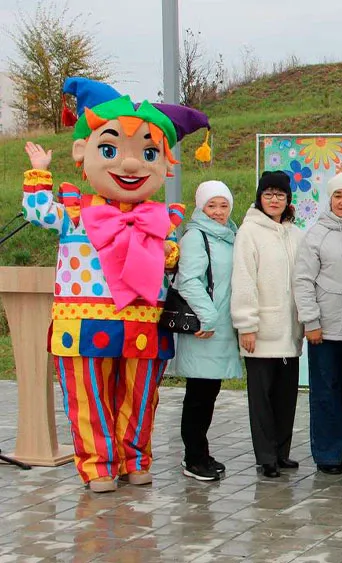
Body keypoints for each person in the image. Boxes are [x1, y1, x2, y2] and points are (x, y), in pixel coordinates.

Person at [20, 77, 210, 492]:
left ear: (164, 163)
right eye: (109, 149)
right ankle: (98, 464)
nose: (129, 165)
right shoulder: (74, 211)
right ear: (82, 151)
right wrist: (38, 174)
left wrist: (169, 254)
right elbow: (37, 210)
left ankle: (134, 458)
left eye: (148, 153)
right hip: (83, 321)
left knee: (140, 398)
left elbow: (173, 259)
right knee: (88, 398)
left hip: (143, 321)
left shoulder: (165, 217)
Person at [294, 173, 342, 475]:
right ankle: (328, 454)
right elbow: (302, 281)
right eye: (338, 196)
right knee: (326, 392)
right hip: (323, 331)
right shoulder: (317, 234)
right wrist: (310, 321)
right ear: (330, 199)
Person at [232, 171, 304, 479]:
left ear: (288, 200)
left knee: (286, 396)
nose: (274, 200)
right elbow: (244, 280)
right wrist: (246, 325)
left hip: (290, 330)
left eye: (280, 195)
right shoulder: (249, 232)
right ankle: (266, 457)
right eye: (268, 194)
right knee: (261, 398)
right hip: (261, 330)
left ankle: (282, 452)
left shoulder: (296, 233)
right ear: (260, 197)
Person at [174, 181, 241, 482]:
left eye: (223, 205)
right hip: (206, 329)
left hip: (220, 328)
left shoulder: (231, 235)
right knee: (198, 395)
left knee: (208, 393)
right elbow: (188, 280)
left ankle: (200, 452)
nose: (218, 212)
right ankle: (193, 458)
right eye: (211, 206)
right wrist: (208, 318)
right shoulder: (196, 236)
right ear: (200, 207)